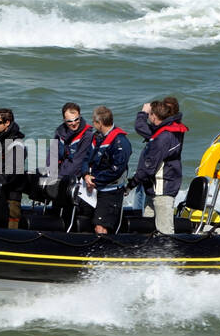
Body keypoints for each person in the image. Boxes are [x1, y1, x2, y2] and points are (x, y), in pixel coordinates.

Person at [130, 96, 188, 234]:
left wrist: (143, 113)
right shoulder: (172, 130)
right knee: (147, 226)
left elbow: (140, 127)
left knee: (165, 230)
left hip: (162, 187)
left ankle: (167, 253)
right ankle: (147, 251)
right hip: (155, 187)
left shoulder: (163, 136)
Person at [78, 106, 132, 235]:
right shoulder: (96, 137)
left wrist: (95, 180)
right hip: (92, 189)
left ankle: (103, 252)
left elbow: (116, 170)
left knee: (100, 228)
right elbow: (86, 158)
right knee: (85, 220)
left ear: (100, 123)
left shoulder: (121, 143)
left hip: (110, 191)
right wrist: (86, 175)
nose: (92, 124)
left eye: (94, 122)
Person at [45, 102, 94, 219]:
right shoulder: (59, 132)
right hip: (60, 176)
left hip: (75, 180)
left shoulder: (87, 135)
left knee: (69, 211)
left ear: (80, 116)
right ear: (64, 120)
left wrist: (59, 178)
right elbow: (52, 154)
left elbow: (78, 162)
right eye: (69, 121)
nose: (73, 123)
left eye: (76, 119)